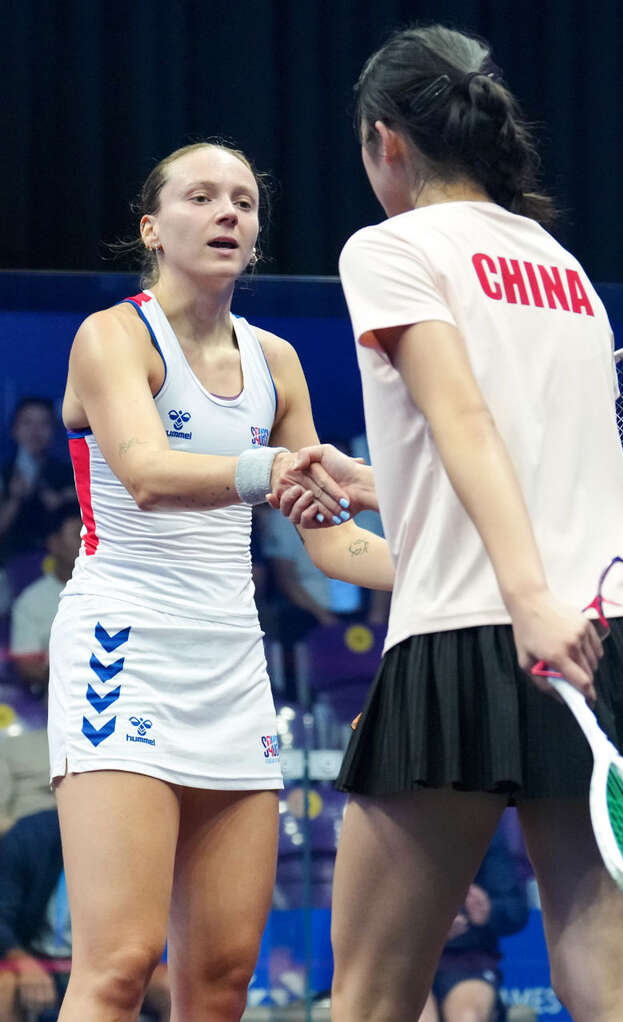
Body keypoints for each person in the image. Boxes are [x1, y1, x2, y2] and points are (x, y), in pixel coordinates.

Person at [282, 25, 623, 1022]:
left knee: (369, 995)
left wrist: (523, 598)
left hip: (476, 634)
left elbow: (465, 420)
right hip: (607, 635)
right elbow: (530, 459)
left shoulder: (389, 248)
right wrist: (375, 481)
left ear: (385, 140)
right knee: (612, 991)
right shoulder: (562, 266)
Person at [48, 140, 392, 1022]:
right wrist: (269, 466)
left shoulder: (277, 362)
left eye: (243, 200)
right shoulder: (112, 337)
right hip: (122, 654)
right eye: (201, 197)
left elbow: (332, 544)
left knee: (223, 981)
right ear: (152, 229)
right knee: (119, 965)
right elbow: (147, 474)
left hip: (234, 670)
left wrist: (464, 576)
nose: (228, 212)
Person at [0, 809, 171, 1022]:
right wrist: (21, 960)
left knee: (169, 987)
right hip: (39, 959)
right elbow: (2, 916)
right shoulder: (30, 835)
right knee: (4, 989)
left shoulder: (137, 843)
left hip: (114, 961)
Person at [417, 827, 528, 1022]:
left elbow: (515, 909)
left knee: (468, 1018)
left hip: (467, 961)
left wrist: (488, 911)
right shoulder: (392, 827)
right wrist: (427, 933)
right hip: (404, 961)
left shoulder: (484, 830)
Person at [10, 503, 82, 697]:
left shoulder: (111, 590)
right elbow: (27, 666)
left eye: (90, 534)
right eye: (78, 535)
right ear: (54, 543)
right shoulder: (31, 601)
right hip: (58, 698)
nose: (86, 542)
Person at [0, 397, 76, 559]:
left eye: (43, 424)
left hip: (57, 562)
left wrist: (62, 498)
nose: (35, 432)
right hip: (10, 559)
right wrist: (14, 499)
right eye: (27, 423)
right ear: (14, 429)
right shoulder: (4, 473)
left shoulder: (67, 473)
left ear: (53, 431)